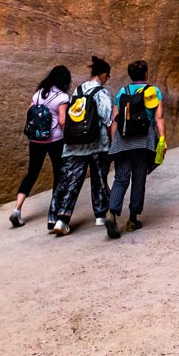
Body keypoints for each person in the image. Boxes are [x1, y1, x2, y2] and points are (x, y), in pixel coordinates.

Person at [47, 56, 113, 235]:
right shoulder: (102, 92)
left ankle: (61, 219)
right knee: (99, 178)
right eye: (107, 76)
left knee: (71, 181)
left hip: (75, 143)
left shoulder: (78, 90)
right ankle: (100, 215)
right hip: (97, 143)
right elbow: (107, 118)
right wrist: (112, 141)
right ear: (103, 74)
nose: (107, 79)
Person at [105, 60, 165, 239]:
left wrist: (114, 143)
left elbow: (115, 119)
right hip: (144, 141)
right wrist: (162, 139)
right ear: (146, 74)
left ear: (130, 76)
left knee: (121, 177)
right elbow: (159, 117)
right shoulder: (153, 91)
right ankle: (132, 219)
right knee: (139, 177)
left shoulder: (123, 92)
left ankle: (112, 212)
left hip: (123, 141)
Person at [11, 64, 72, 227]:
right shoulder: (62, 97)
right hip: (55, 140)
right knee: (58, 173)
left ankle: (17, 209)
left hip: (36, 140)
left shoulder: (39, 94)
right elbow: (62, 121)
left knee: (32, 173)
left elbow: (30, 113)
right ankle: (55, 210)